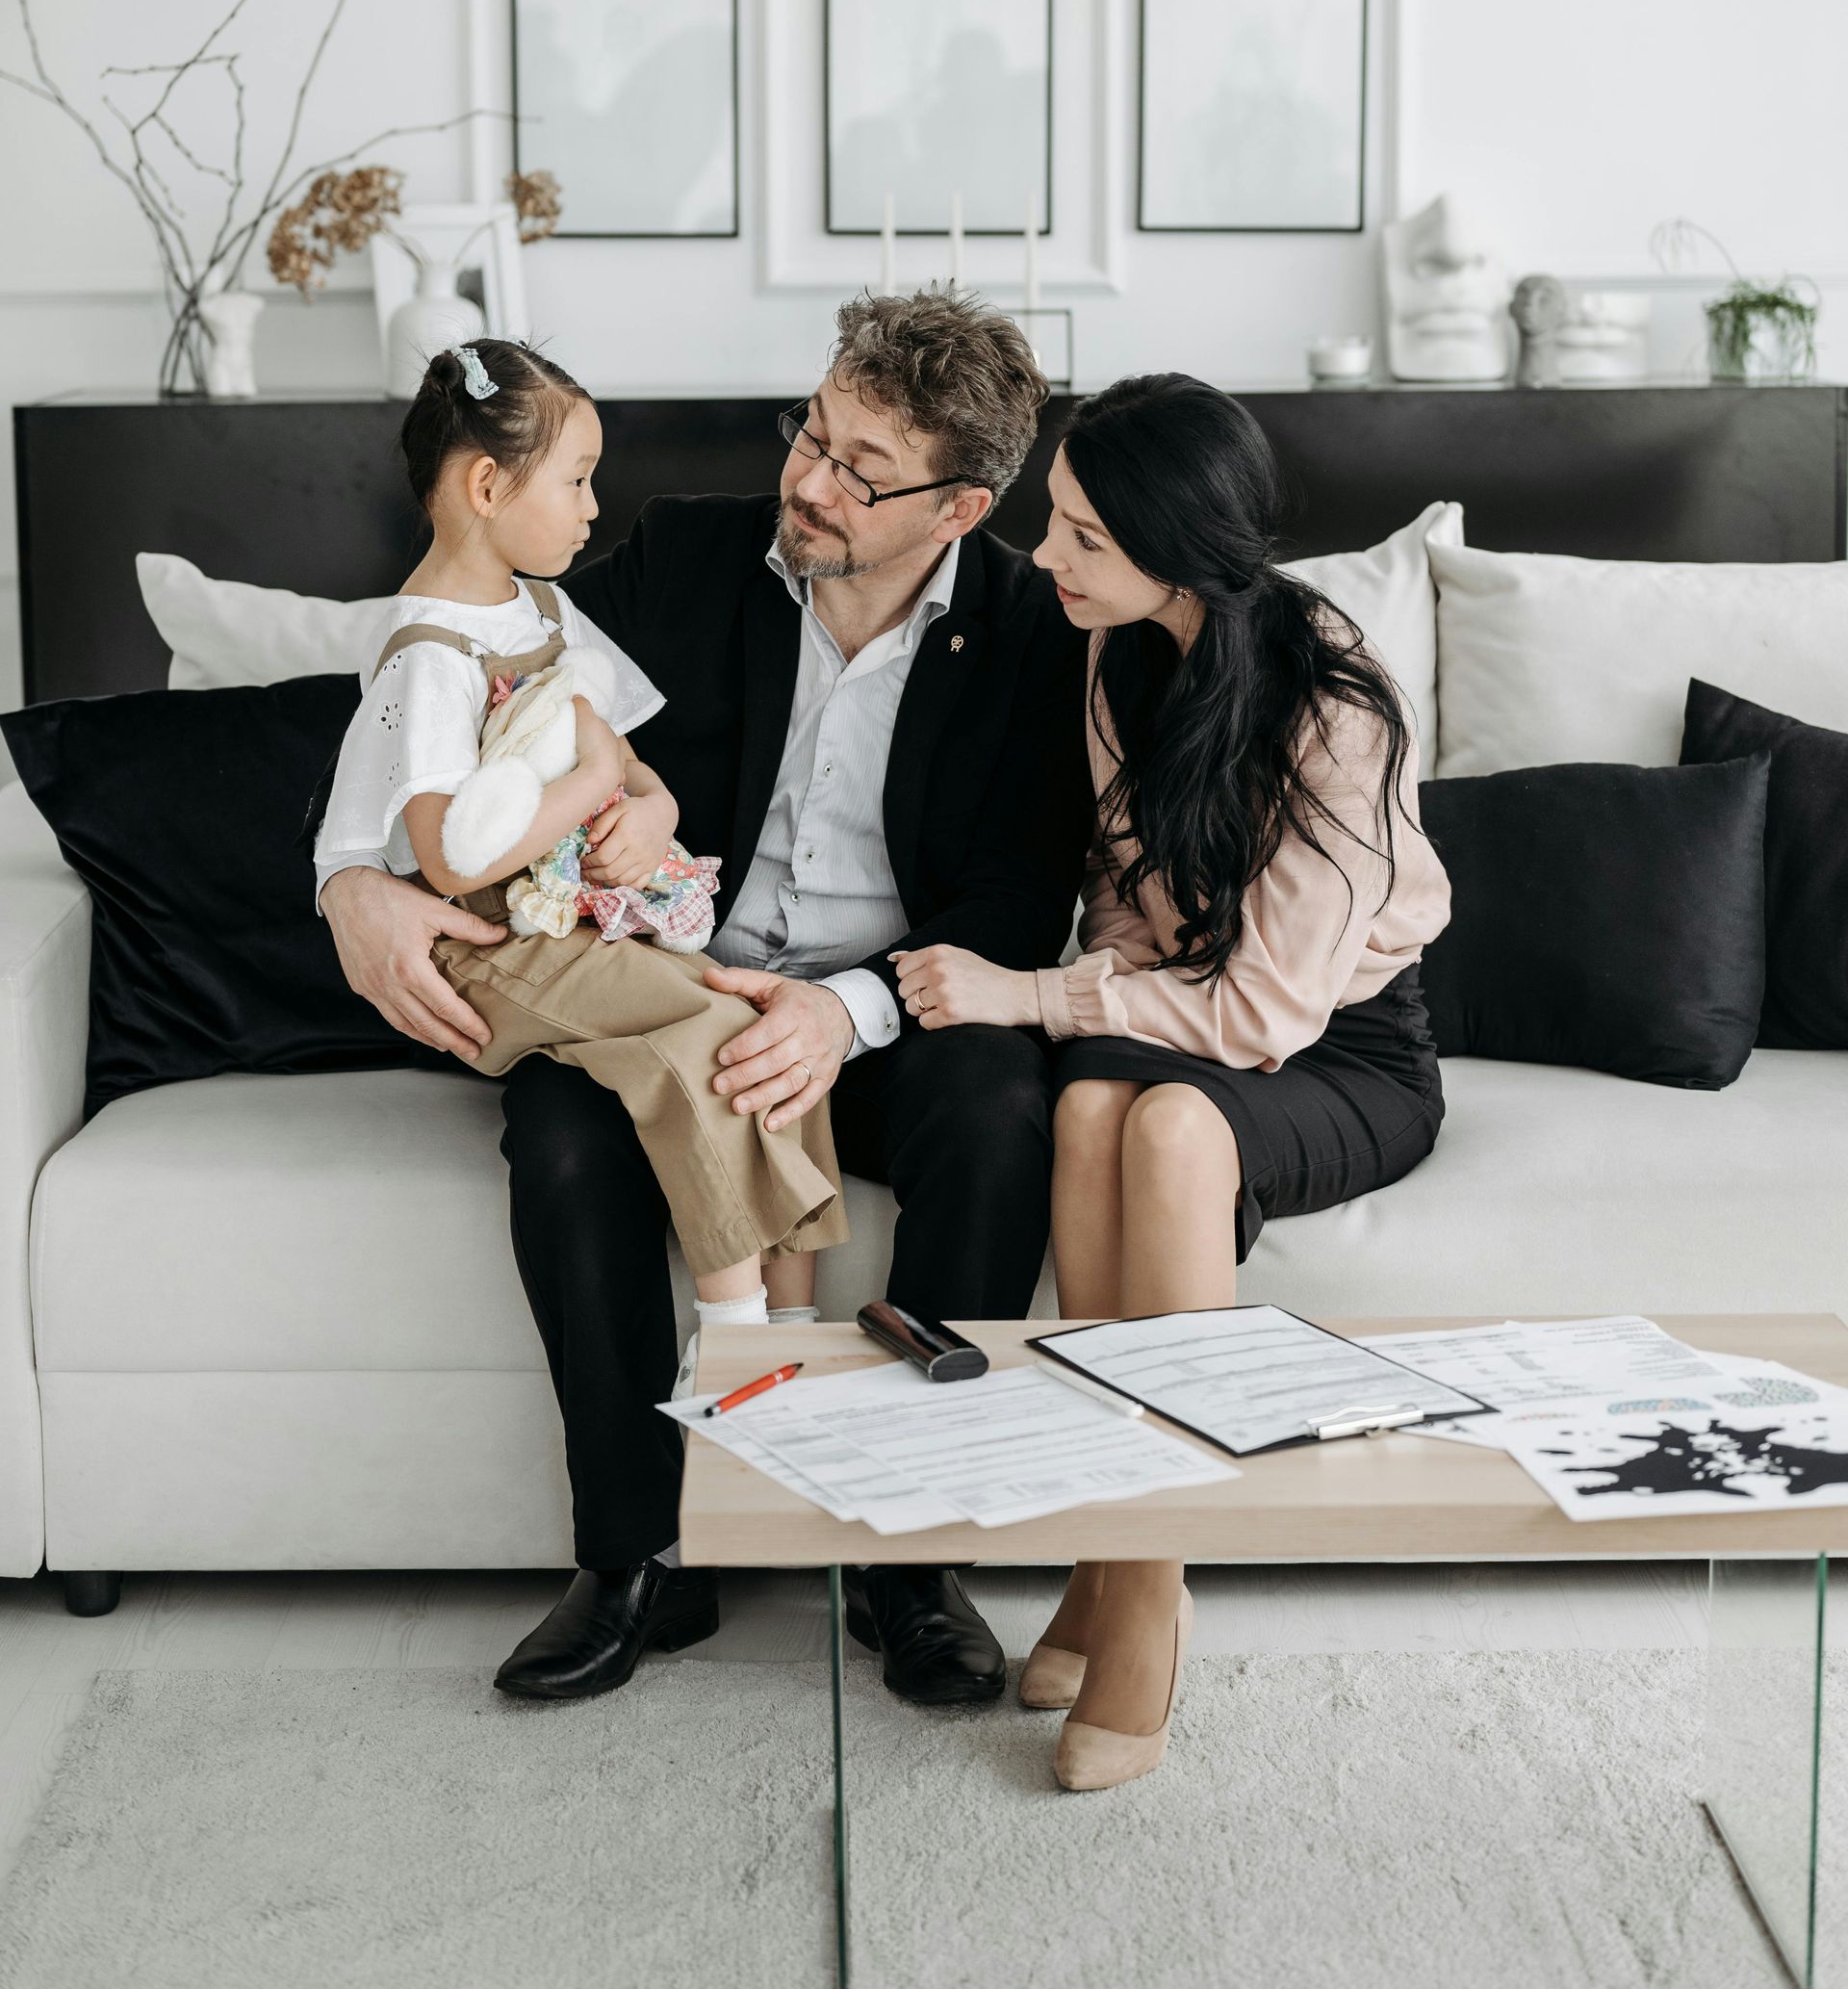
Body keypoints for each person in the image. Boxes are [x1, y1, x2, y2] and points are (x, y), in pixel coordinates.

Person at [320, 291, 1092, 1706]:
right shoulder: (684, 552)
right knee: (559, 1130)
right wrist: (347, 880)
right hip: (660, 980)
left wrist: (839, 1012)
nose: (809, 481)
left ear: (963, 506)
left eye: (865, 472)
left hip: (881, 1006)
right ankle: (638, 1559)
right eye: (814, 432)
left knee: (996, 1114)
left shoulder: (1037, 636)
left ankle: (913, 1561)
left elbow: (1018, 899)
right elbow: (444, 688)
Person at [891, 374, 1451, 1790]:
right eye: (1052, 522)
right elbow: (1126, 917)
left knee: (1178, 1130)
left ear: (1174, 540)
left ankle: (1146, 1583)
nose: (1046, 558)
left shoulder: (1333, 700)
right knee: (1089, 1108)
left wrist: (1025, 994)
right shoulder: (1116, 652)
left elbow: (1266, 1009)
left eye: (1081, 534)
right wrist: (1084, 996)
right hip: (1185, 1014)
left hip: (1346, 1047)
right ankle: (1110, 1538)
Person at [314, 339, 846, 1344]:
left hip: (564, 920)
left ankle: (797, 1319)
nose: (595, 507)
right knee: (727, 1034)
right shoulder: (429, 656)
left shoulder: (547, 607)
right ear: (485, 484)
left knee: (765, 1030)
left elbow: (628, 753)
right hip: (490, 946)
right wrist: (597, 783)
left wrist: (647, 806)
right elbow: (453, 857)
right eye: (577, 479)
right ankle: (739, 1339)